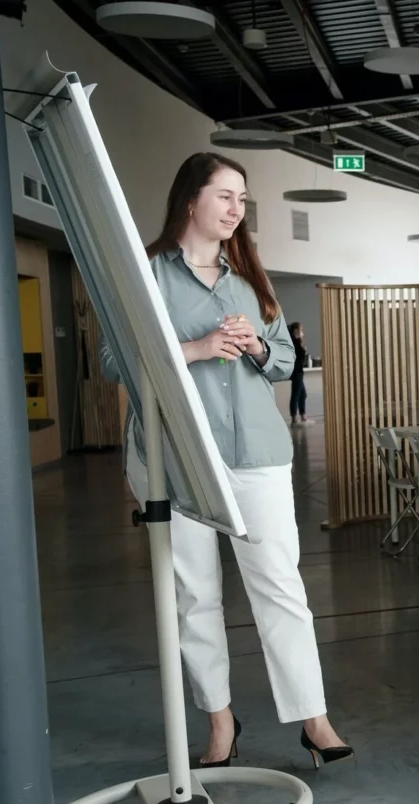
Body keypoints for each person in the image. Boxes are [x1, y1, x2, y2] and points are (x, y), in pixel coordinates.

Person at [104, 152, 352, 769]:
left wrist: (258, 347)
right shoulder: (149, 276)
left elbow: (286, 363)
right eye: (226, 196)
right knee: (196, 595)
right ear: (192, 199)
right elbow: (114, 363)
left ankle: (314, 719)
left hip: (258, 454)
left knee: (282, 588)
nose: (237, 210)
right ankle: (220, 724)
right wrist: (195, 347)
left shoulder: (246, 278)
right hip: (179, 459)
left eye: (243, 200)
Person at [288, 321, 311, 425]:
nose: (302, 332)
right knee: (296, 394)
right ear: (296, 331)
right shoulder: (294, 342)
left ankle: (302, 416)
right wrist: (303, 349)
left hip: (298, 372)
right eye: (301, 330)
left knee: (302, 394)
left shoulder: (296, 342)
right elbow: (299, 356)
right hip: (296, 372)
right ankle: (295, 418)